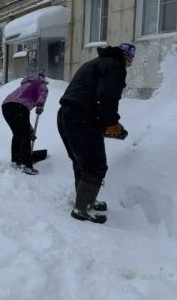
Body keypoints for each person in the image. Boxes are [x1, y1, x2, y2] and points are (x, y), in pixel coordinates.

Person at [57, 43, 135, 223]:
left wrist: (105, 124)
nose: (129, 64)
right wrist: (111, 122)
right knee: (96, 165)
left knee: (82, 161)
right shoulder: (115, 65)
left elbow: (92, 97)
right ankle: (82, 208)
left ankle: (85, 200)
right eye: (130, 59)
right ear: (125, 57)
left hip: (67, 114)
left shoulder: (98, 62)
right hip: (80, 116)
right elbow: (107, 96)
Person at [1, 73, 49, 175]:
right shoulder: (40, 83)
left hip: (6, 106)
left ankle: (16, 161)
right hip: (20, 108)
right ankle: (27, 166)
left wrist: (30, 130)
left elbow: (22, 121)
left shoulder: (25, 84)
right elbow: (43, 93)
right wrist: (40, 106)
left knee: (17, 134)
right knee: (24, 137)